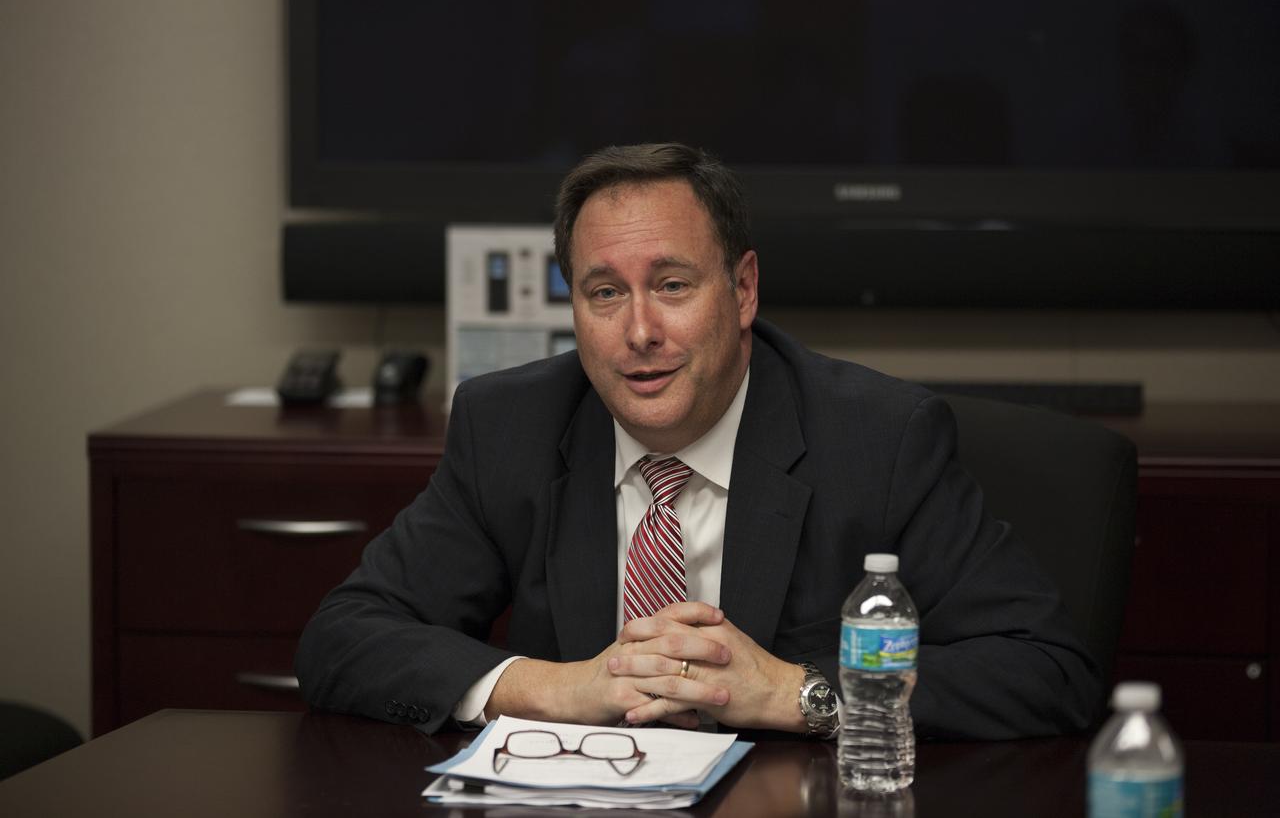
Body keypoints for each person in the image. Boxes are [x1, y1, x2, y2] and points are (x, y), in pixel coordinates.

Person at [295, 143, 1101, 740]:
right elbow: (344, 637)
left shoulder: (881, 439)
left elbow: (1048, 669)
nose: (639, 331)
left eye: (673, 285)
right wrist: (556, 688)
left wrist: (795, 692)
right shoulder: (511, 427)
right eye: (604, 292)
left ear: (743, 288)